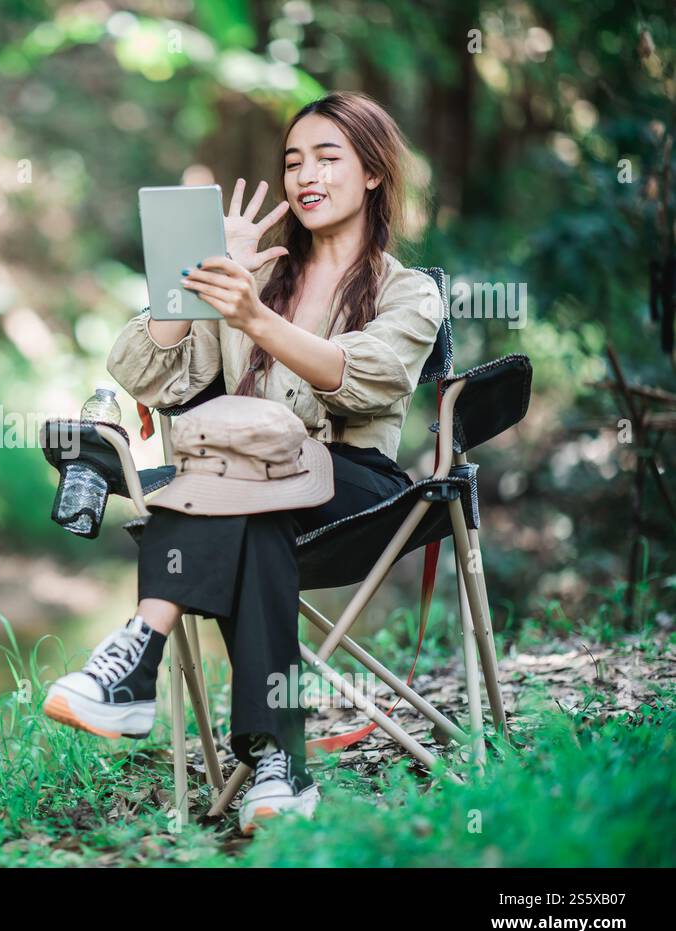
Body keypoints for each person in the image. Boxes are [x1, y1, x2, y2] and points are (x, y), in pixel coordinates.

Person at [43, 91, 444, 832]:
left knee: (223, 489)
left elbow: (360, 375)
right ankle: (276, 764)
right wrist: (193, 275)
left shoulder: (409, 292)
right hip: (245, 492)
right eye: (294, 161)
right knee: (249, 508)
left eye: (328, 157)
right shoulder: (255, 272)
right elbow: (150, 374)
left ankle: (138, 653)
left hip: (356, 490)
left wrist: (253, 318)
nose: (305, 175)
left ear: (375, 174)